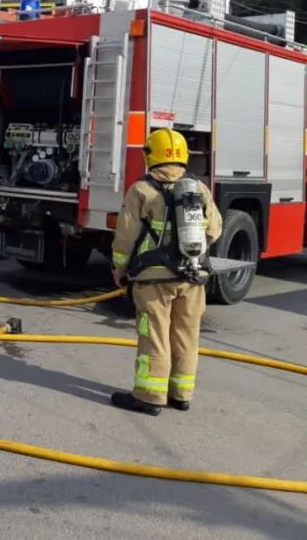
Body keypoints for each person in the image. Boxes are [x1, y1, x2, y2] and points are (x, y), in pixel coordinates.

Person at [109, 127, 222, 416]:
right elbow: (214, 228)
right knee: (186, 335)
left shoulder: (142, 190)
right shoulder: (198, 189)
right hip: (193, 277)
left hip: (153, 280)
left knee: (155, 336)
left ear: (150, 155)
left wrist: (120, 269)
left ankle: (149, 396)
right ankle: (181, 394)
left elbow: (125, 236)